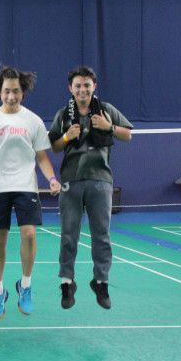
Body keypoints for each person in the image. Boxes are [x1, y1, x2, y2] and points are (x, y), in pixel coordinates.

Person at [0, 66, 61, 321]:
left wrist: (52, 178)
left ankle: (25, 285)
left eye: (16, 91)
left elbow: (42, 156)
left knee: (29, 233)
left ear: (23, 91)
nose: (11, 96)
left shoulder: (32, 121)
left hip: (25, 184)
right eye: (6, 91)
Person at [48, 66, 132, 309]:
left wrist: (110, 128)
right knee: (68, 234)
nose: (82, 89)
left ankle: (101, 282)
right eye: (78, 85)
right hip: (70, 180)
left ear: (94, 86)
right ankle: (66, 283)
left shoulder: (106, 110)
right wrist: (66, 137)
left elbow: (128, 134)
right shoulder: (64, 114)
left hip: (100, 180)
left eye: (87, 85)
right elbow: (53, 145)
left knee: (102, 236)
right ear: (70, 88)